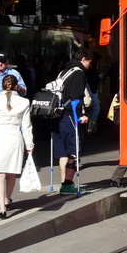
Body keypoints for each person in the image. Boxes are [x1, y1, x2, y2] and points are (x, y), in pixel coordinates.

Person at [0, 74, 33, 219]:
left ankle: (2, 209)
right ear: (16, 86)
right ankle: (7, 198)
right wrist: (30, 145)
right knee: (11, 173)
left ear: (2, 86)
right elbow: (27, 126)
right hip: (15, 138)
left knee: (0, 175)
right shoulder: (24, 102)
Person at [49, 50, 93, 194]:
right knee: (75, 151)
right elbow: (76, 96)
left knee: (63, 152)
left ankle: (64, 183)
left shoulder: (63, 72)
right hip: (69, 116)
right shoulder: (79, 73)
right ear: (84, 59)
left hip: (57, 115)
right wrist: (81, 115)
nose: (90, 65)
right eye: (89, 62)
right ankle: (67, 184)